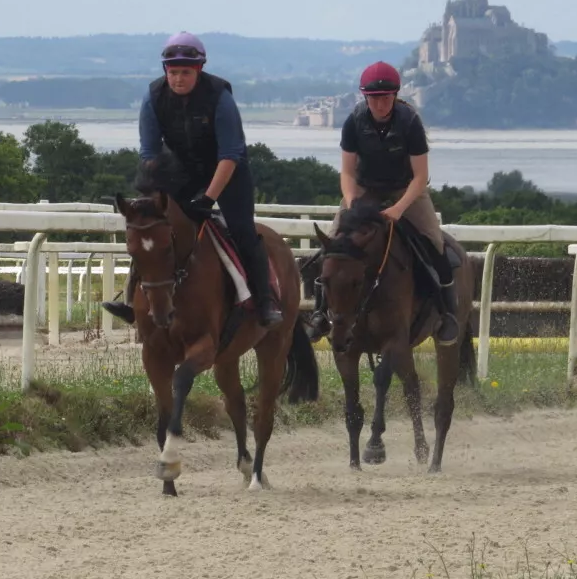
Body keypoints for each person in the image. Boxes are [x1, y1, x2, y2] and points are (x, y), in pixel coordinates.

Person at [104, 31, 283, 330]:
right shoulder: (153, 97)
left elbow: (230, 154)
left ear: (199, 70)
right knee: (151, 229)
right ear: (165, 72)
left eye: (185, 72)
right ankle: (130, 297)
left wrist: (208, 198)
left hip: (228, 173)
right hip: (181, 172)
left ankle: (265, 301)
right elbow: (149, 153)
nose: (178, 79)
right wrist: (151, 199)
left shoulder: (220, 97)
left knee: (241, 230)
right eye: (173, 73)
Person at [308, 61, 459, 346]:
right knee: (332, 244)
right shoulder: (354, 121)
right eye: (374, 98)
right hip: (364, 190)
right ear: (365, 97)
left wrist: (399, 209)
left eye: (387, 97)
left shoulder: (409, 121)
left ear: (396, 95)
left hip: (406, 189)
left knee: (435, 242)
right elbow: (348, 172)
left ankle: (447, 313)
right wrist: (352, 202)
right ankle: (319, 313)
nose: (380, 103)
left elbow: (421, 177)